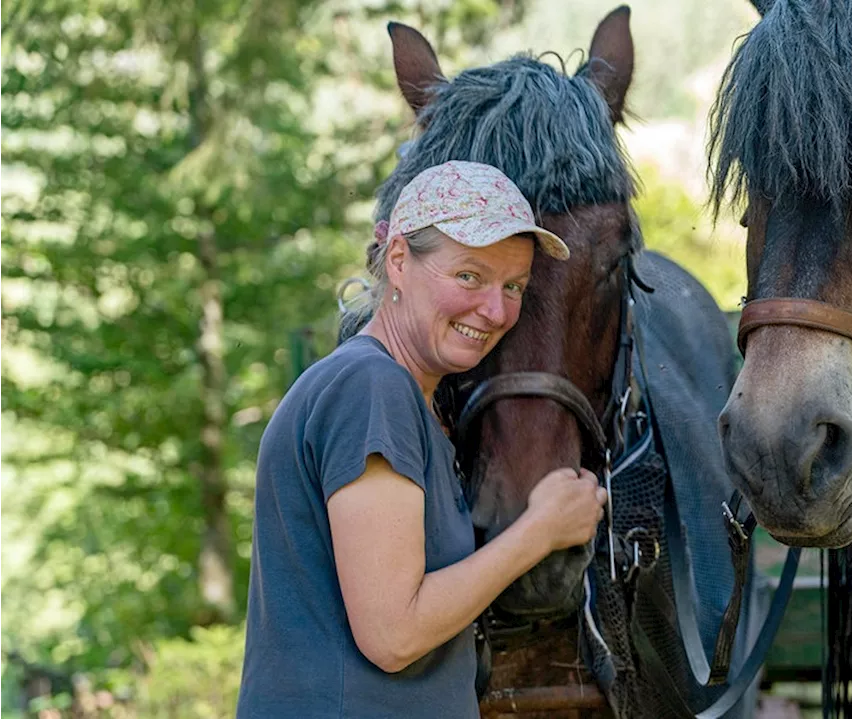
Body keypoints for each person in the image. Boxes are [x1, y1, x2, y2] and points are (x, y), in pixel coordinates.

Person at [236, 160, 607, 718]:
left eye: (514, 287)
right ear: (400, 261)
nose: (496, 309)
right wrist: (541, 530)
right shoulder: (371, 387)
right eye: (469, 277)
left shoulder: (406, 399)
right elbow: (393, 635)